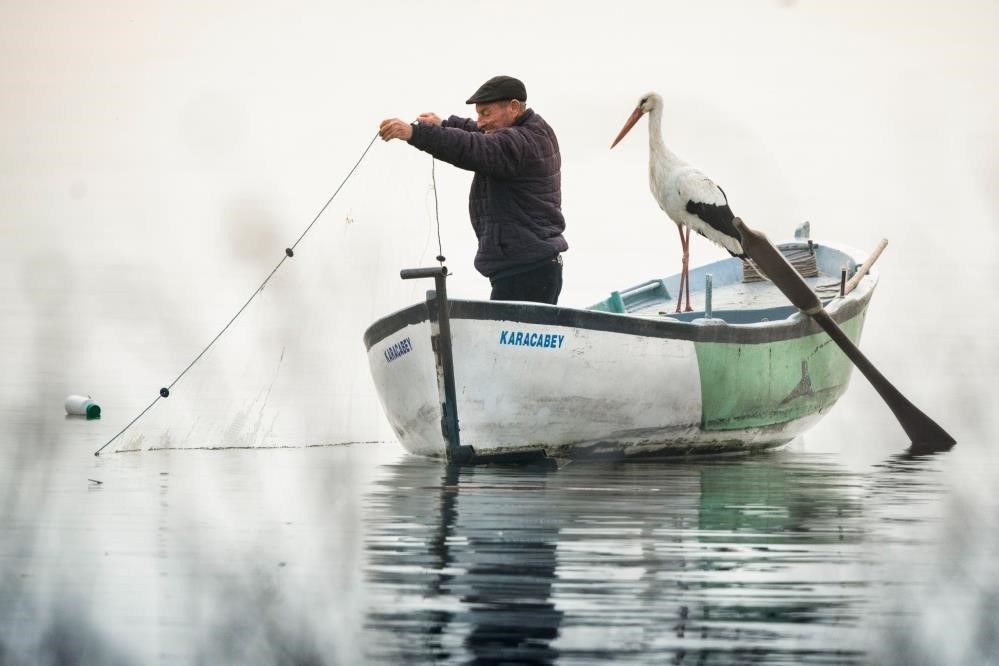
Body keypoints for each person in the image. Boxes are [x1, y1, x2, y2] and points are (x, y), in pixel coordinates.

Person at [378, 75, 568, 305]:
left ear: (514, 107)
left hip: (526, 272)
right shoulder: (532, 129)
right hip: (531, 266)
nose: (479, 121)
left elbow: (472, 146)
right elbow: (479, 134)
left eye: (486, 113)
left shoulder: (519, 143)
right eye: (478, 114)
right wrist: (445, 125)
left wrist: (415, 133)